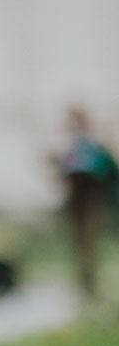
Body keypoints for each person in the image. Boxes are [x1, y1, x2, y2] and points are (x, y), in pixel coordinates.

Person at [57, 107, 116, 302]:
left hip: (90, 203)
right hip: (77, 203)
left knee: (88, 242)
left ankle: (90, 282)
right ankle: (85, 281)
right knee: (80, 243)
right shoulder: (72, 148)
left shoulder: (92, 147)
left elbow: (105, 171)